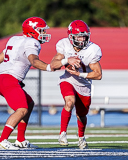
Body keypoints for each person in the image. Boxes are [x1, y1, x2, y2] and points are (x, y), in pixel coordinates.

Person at [0, 17, 53, 149]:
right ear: (33, 31)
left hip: (1, 79)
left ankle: (20, 139)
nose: (43, 33)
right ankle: (2, 140)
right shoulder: (32, 42)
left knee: (29, 103)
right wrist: (49, 67)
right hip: (9, 80)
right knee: (22, 109)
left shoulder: (14, 39)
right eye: (41, 30)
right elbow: (34, 62)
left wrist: (8, 75)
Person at [50, 20, 102, 149]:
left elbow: (98, 74)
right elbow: (53, 65)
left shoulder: (92, 49)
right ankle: (62, 133)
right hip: (68, 79)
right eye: (78, 36)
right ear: (70, 36)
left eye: (84, 36)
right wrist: (66, 60)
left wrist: (80, 74)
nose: (81, 39)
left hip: (84, 84)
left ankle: (81, 137)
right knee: (69, 102)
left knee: (82, 114)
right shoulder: (64, 45)